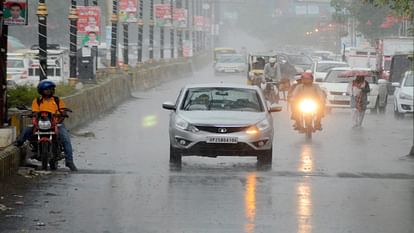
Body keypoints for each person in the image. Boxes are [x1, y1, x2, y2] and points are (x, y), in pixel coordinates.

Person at [14, 80, 78, 171]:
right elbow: (35, 112)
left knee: (66, 139)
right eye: (47, 90)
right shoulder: (37, 101)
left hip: (56, 123)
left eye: (51, 89)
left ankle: (69, 161)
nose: (49, 91)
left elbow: (63, 109)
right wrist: (32, 114)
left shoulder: (57, 100)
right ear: (41, 91)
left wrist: (63, 114)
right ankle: (19, 142)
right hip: (41, 123)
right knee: (26, 130)